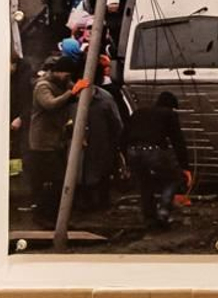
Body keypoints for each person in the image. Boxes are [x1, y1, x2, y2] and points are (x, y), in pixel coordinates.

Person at [27, 54, 87, 227]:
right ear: (57, 72)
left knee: (59, 181)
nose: (68, 79)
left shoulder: (62, 83)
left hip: (56, 140)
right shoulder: (42, 86)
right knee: (52, 180)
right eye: (66, 75)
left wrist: (77, 89)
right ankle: (42, 216)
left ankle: (55, 217)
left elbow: (72, 96)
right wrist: (72, 92)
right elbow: (51, 104)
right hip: (42, 143)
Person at [123, 91, 189, 229]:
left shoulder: (138, 113)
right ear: (171, 106)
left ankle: (149, 217)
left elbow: (123, 135)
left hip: (132, 150)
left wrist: (126, 159)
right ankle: (163, 211)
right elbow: (178, 141)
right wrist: (185, 167)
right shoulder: (169, 114)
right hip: (153, 150)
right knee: (174, 178)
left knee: (144, 183)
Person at [78, 54, 123, 210]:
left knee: (94, 172)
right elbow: (117, 122)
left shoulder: (102, 98)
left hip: (98, 143)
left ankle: (95, 202)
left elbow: (116, 123)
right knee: (96, 172)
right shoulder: (104, 98)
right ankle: (95, 202)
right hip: (97, 143)